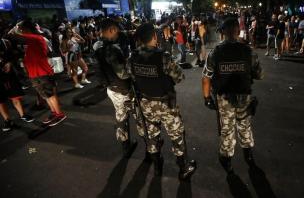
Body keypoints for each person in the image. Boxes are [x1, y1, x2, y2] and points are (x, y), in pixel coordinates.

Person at [128, 23, 196, 180]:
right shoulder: (163, 56)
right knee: (177, 135)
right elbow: (179, 77)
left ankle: (157, 166)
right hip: (166, 104)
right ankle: (183, 168)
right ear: (153, 37)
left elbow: (129, 76)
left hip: (145, 102)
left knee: (151, 136)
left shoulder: (132, 57)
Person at [202, 17, 263, 173]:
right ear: (237, 31)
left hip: (224, 98)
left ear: (223, 32)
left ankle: (227, 159)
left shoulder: (216, 52)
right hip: (244, 96)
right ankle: (248, 155)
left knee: (227, 128)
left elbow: (206, 78)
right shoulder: (248, 51)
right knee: (244, 126)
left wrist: (207, 97)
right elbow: (259, 75)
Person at [93, 19, 139, 159]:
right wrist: (131, 64)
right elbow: (123, 73)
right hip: (124, 89)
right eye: (117, 30)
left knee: (120, 117)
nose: (118, 33)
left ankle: (125, 147)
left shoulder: (96, 46)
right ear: (112, 29)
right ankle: (151, 147)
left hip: (111, 88)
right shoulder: (113, 48)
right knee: (138, 115)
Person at [8, 20, 66, 126]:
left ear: (27, 29)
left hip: (42, 72)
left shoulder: (36, 38)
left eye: (22, 28)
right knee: (45, 96)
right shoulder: (32, 40)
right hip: (35, 74)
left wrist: (16, 28)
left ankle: (60, 114)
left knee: (50, 94)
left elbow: (14, 35)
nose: (21, 30)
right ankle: (54, 112)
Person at [0, 37, 34, 132]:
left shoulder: (5, 42)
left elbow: (14, 54)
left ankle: (22, 115)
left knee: (15, 96)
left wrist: (10, 63)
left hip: (8, 74)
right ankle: (7, 120)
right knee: (0, 101)